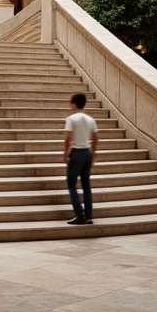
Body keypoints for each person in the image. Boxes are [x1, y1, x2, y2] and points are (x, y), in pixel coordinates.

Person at [63, 92, 99, 226]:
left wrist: (65, 154)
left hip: (76, 153)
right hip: (87, 152)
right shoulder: (90, 119)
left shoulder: (71, 119)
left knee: (71, 185)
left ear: (74, 104)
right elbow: (95, 138)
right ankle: (89, 216)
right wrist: (93, 153)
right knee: (86, 186)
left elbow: (67, 138)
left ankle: (79, 215)